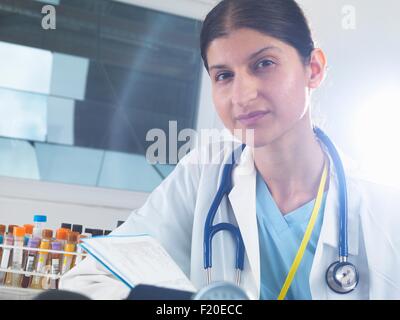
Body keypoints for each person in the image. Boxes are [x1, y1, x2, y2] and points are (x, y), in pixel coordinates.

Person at [60, 0, 400, 300]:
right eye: (223, 75)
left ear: (313, 68)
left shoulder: (383, 204)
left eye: (264, 64)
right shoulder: (203, 174)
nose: (242, 95)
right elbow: (87, 282)